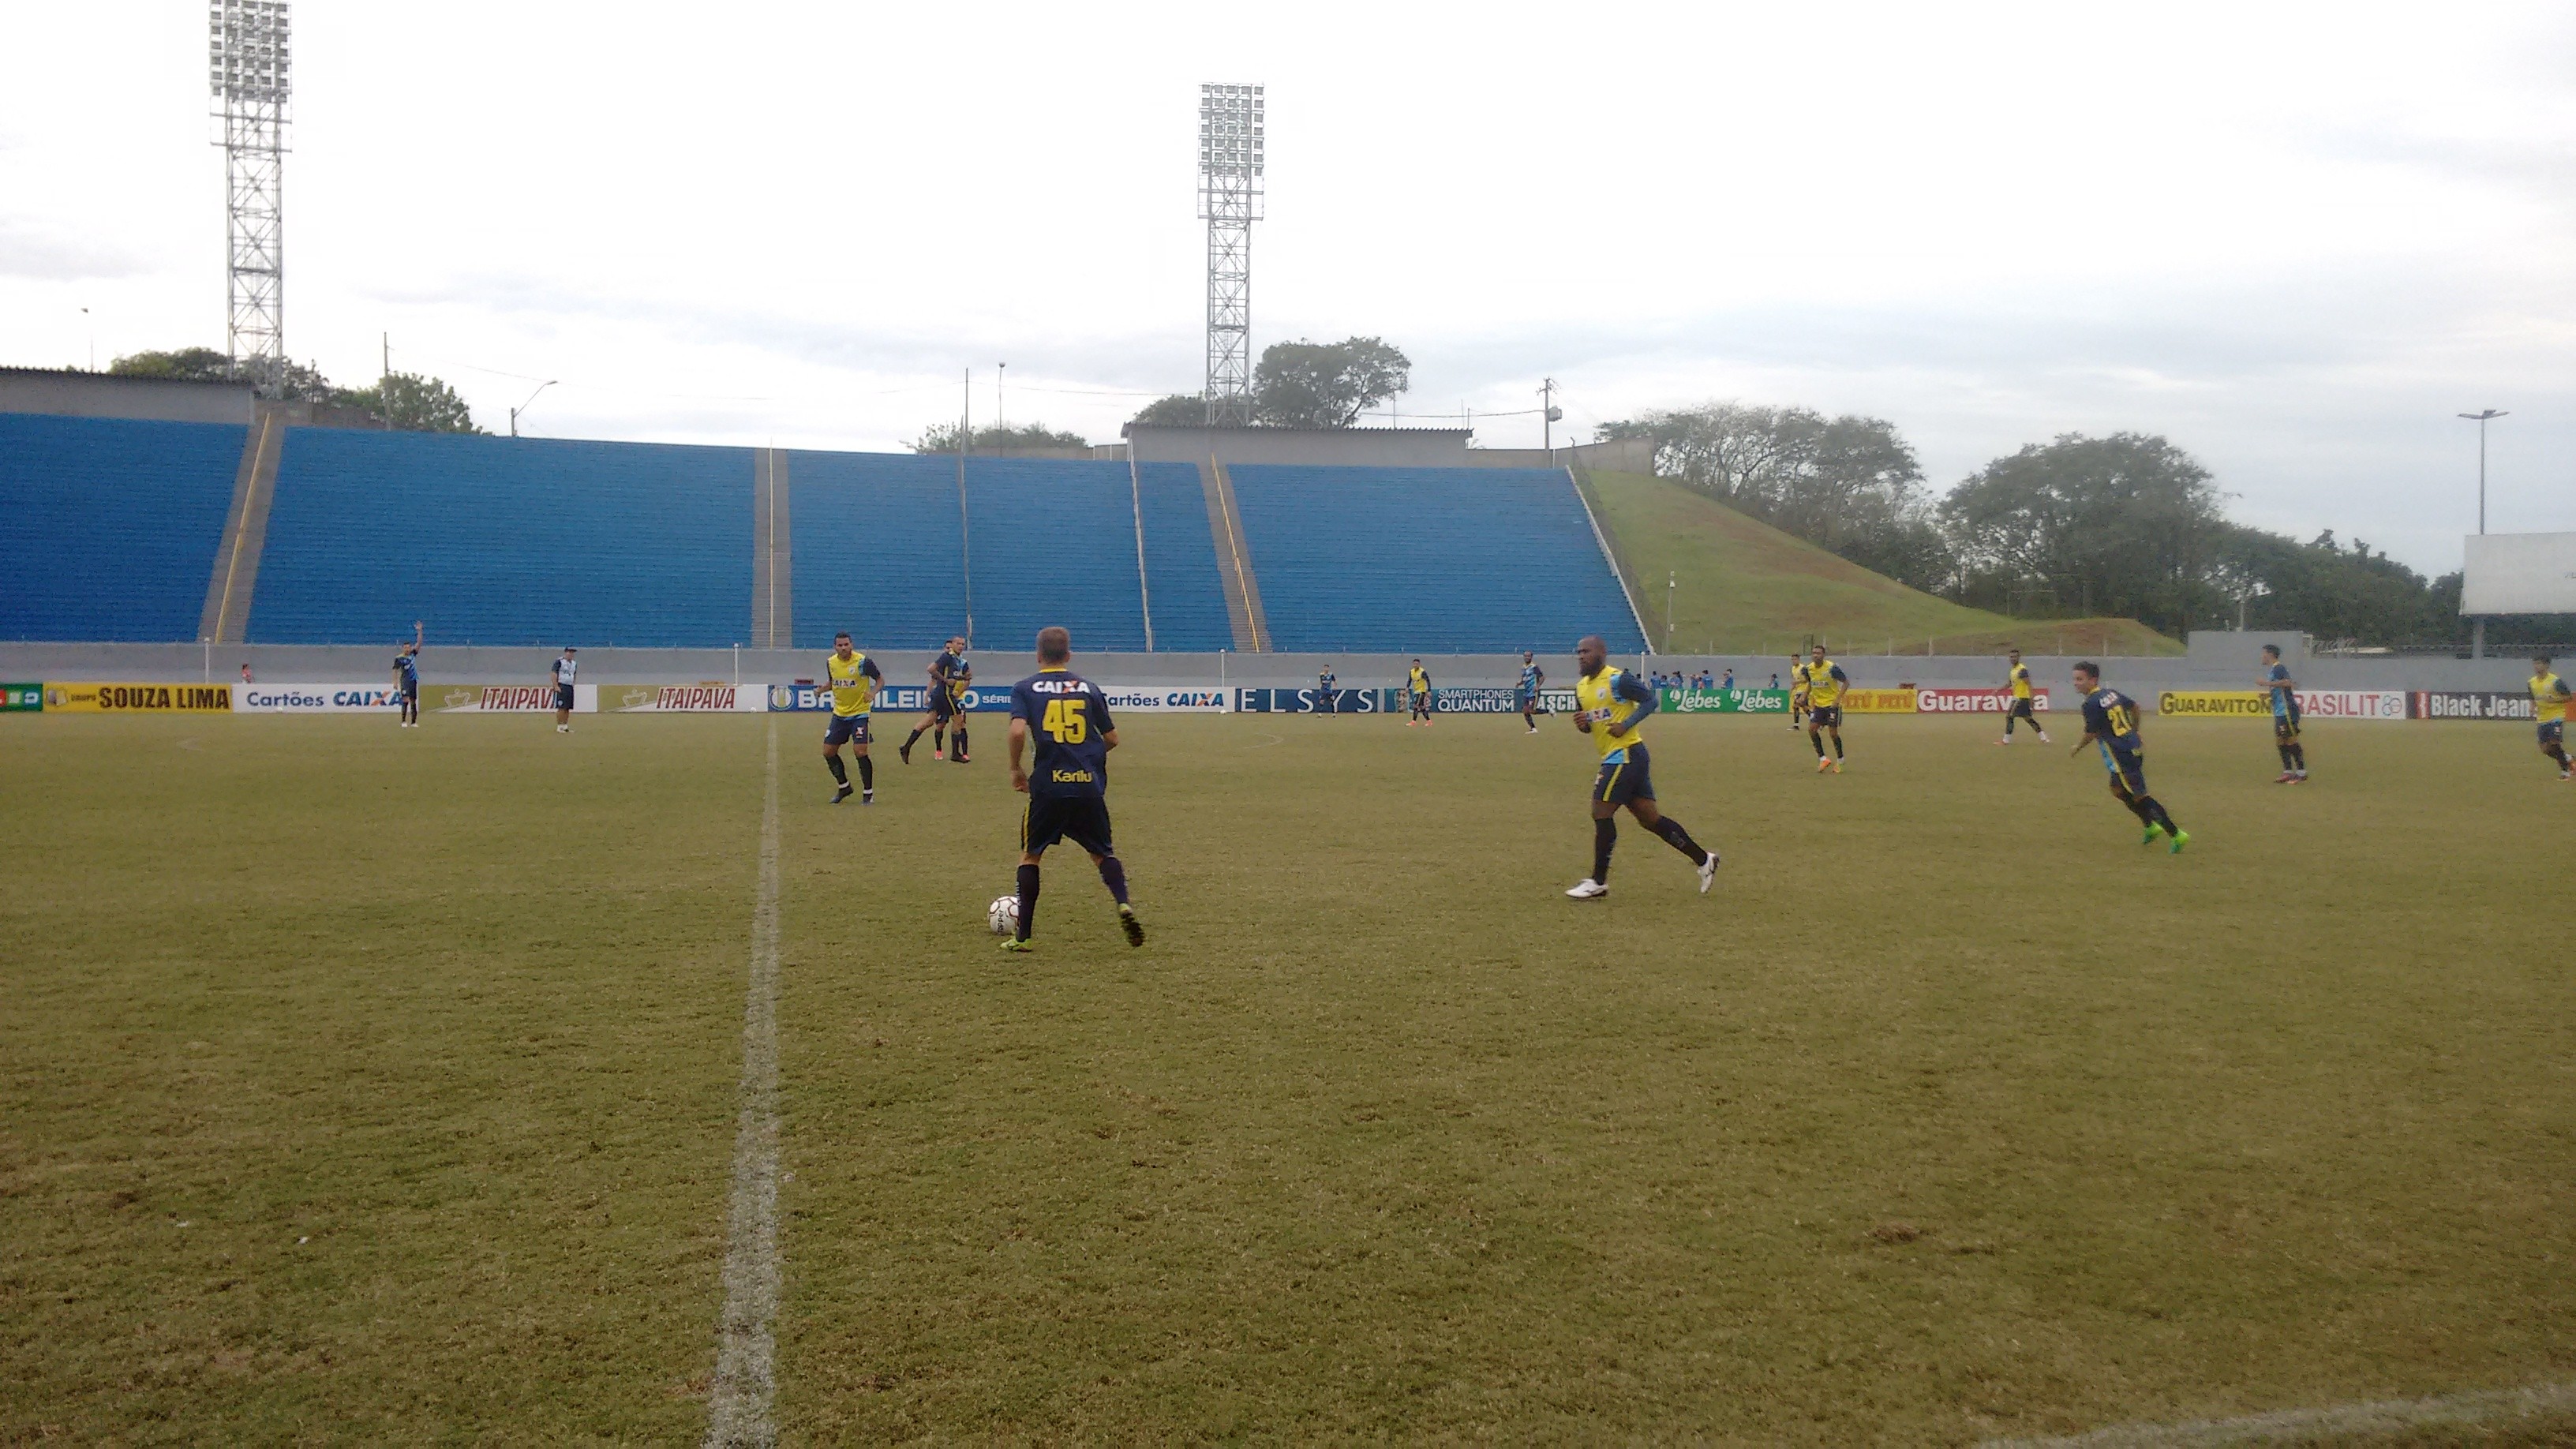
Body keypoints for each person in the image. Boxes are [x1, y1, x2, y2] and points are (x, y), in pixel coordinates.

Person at [1003, 626, 1144, 951]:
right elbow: (1112, 739)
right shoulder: (1088, 688)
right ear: (1068, 655)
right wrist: (1086, 757)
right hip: (1087, 786)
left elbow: (1016, 732)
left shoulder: (1025, 688)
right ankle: (1123, 902)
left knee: (1031, 855)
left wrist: (1016, 769)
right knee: (1101, 852)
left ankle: (1022, 936)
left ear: (1038, 656)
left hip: (1048, 788)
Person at [1563, 635, 1718, 900]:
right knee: (1650, 819)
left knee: (1601, 811)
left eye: (1586, 651)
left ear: (1601, 653)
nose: (1581, 656)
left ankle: (1598, 882)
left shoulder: (1618, 679)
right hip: (1621, 756)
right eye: (1578, 651)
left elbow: (1650, 701)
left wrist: (1626, 724)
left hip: (1625, 755)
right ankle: (1705, 859)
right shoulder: (1581, 688)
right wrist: (1583, 725)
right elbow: (1592, 724)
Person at [2070, 661, 2188, 852]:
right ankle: (2150, 825)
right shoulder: (2111, 694)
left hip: (2121, 754)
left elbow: (2091, 734)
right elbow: (2135, 707)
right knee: (2117, 789)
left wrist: (2077, 748)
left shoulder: (2090, 703)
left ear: (2093, 680)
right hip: (2131, 747)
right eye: (2074, 679)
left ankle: (2176, 834)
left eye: (2080, 679)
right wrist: (2135, 730)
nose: (2076, 683)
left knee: (2140, 796)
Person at [822, 631, 882, 804]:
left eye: (846, 645)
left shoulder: (863, 662)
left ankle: (868, 793)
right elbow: (833, 683)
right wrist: (820, 690)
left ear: (851, 645)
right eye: (840, 645)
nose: (843, 648)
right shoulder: (831, 662)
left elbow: (880, 680)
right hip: (840, 714)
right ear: (835, 647)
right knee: (828, 752)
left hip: (859, 713)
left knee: (860, 751)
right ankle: (844, 787)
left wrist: (873, 693)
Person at [900, 637, 968, 764]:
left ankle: (906, 747)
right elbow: (931, 668)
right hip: (945, 694)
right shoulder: (947, 656)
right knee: (959, 720)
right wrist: (945, 680)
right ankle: (955, 754)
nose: (961, 646)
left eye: (963, 644)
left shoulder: (958, 660)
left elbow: (959, 675)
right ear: (952, 644)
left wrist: (964, 676)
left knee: (928, 722)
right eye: (958, 643)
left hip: (939, 695)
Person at [1798, 645, 1849, 772]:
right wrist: (1804, 696)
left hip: (1832, 705)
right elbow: (1811, 683)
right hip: (1819, 706)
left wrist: (1837, 699)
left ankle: (1840, 760)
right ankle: (1823, 759)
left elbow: (1846, 683)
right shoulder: (1808, 669)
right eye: (1814, 653)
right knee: (1812, 730)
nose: (1816, 655)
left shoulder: (1832, 668)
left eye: (1818, 653)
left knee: (1833, 734)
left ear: (1823, 655)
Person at [2261, 644, 2307, 783]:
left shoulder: (2279, 668)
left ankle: (2301, 772)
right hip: (2280, 712)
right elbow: (2280, 690)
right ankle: (2287, 771)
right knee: (2281, 741)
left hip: (2287, 711)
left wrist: (2266, 683)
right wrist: (2267, 696)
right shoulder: (2273, 670)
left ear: (2270, 654)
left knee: (2291, 741)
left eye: (2263, 653)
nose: (2261, 656)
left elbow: (2288, 683)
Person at [1994, 646, 2050, 744]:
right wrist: (1999, 690)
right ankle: (2044, 738)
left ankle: (2005, 741)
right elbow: (2010, 683)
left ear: (2019, 657)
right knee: (2028, 719)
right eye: (2011, 657)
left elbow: (2029, 684)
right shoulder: (2013, 671)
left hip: (2021, 698)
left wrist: (2032, 699)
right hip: (2019, 697)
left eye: (2014, 657)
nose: (2012, 659)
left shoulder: (2022, 670)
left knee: (2009, 717)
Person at [2531, 655, 2574, 780]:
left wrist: (2554, 700)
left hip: (2556, 716)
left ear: (2546, 666)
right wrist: (2532, 706)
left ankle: (2565, 771)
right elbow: (2532, 696)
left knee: (2554, 743)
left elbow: (2569, 697)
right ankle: (2569, 758)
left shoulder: (2555, 681)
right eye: (2535, 664)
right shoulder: (2532, 682)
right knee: (2545, 749)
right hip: (2542, 718)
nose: (2536, 666)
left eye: (2539, 664)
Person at [391, 621, 422, 728]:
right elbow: (395, 670)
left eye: (409, 647)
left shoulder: (413, 654)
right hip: (404, 681)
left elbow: (419, 643)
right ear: (403, 648)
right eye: (405, 648)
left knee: (413, 702)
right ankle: (403, 721)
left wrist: (419, 631)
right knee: (405, 701)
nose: (407, 649)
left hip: (413, 680)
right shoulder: (399, 658)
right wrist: (395, 682)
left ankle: (413, 722)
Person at [550, 646, 578, 733]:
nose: (571, 654)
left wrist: (573, 683)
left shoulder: (574, 663)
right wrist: (556, 686)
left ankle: (565, 726)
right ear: (566, 652)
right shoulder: (559, 661)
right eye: (570, 652)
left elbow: (574, 674)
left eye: (573, 652)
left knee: (567, 707)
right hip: (561, 685)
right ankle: (559, 726)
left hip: (569, 686)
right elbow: (554, 673)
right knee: (561, 707)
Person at [1518, 651, 1547, 734]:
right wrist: (1519, 683)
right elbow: (1524, 679)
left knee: (1531, 711)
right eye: (1525, 656)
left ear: (1531, 657)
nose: (1527, 657)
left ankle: (1548, 710)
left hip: (1533, 692)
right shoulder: (1523, 668)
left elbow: (1542, 677)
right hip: (1526, 692)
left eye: (1528, 656)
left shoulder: (1534, 667)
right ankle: (1533, 729)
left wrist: (1537, 686)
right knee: (1525, 711)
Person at [1406, 660, 1434, 725]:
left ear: (1419, 664)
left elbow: (1428, 680)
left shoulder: (1422, 672)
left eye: (1417, 664)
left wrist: (1429, 690)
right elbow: (1410, 680)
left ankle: (1413, 722)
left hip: (1421, 691)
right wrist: (1407, 687)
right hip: (1416, 691)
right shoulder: (1412, 672)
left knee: (1416, 706)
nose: (1416, 665)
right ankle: (1429, 721)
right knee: (1421, 707)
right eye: (1415, 664)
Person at [1787, 656, 1809, 732]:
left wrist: (1797, 682)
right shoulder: (1793, 669)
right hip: (1798, 690)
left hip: (1804, 690)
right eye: (1792, 659)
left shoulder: (1803, 668)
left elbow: (1807, 680)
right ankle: (1816, 720)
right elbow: (1794, 680)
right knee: (1804, 708)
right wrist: (1791, 689)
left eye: (1795, 659)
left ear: (1799, 660)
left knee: (1796, 706)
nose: (1794, 661)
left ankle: (1796, 725)